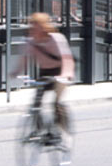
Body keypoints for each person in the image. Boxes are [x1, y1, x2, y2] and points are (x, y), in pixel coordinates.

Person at [12, 12, 75, 141]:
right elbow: (23, 60)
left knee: (56, 103)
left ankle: (60, 131)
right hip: (44, 72)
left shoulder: (56, 38)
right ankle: (39, 129)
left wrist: (65, 74)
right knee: (36, 103)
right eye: (32, 25)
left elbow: (67, 59)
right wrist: (16, 72)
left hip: (60, 72)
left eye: (36, 25)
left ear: (44, 26)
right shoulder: (30, 42)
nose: (33, 28)